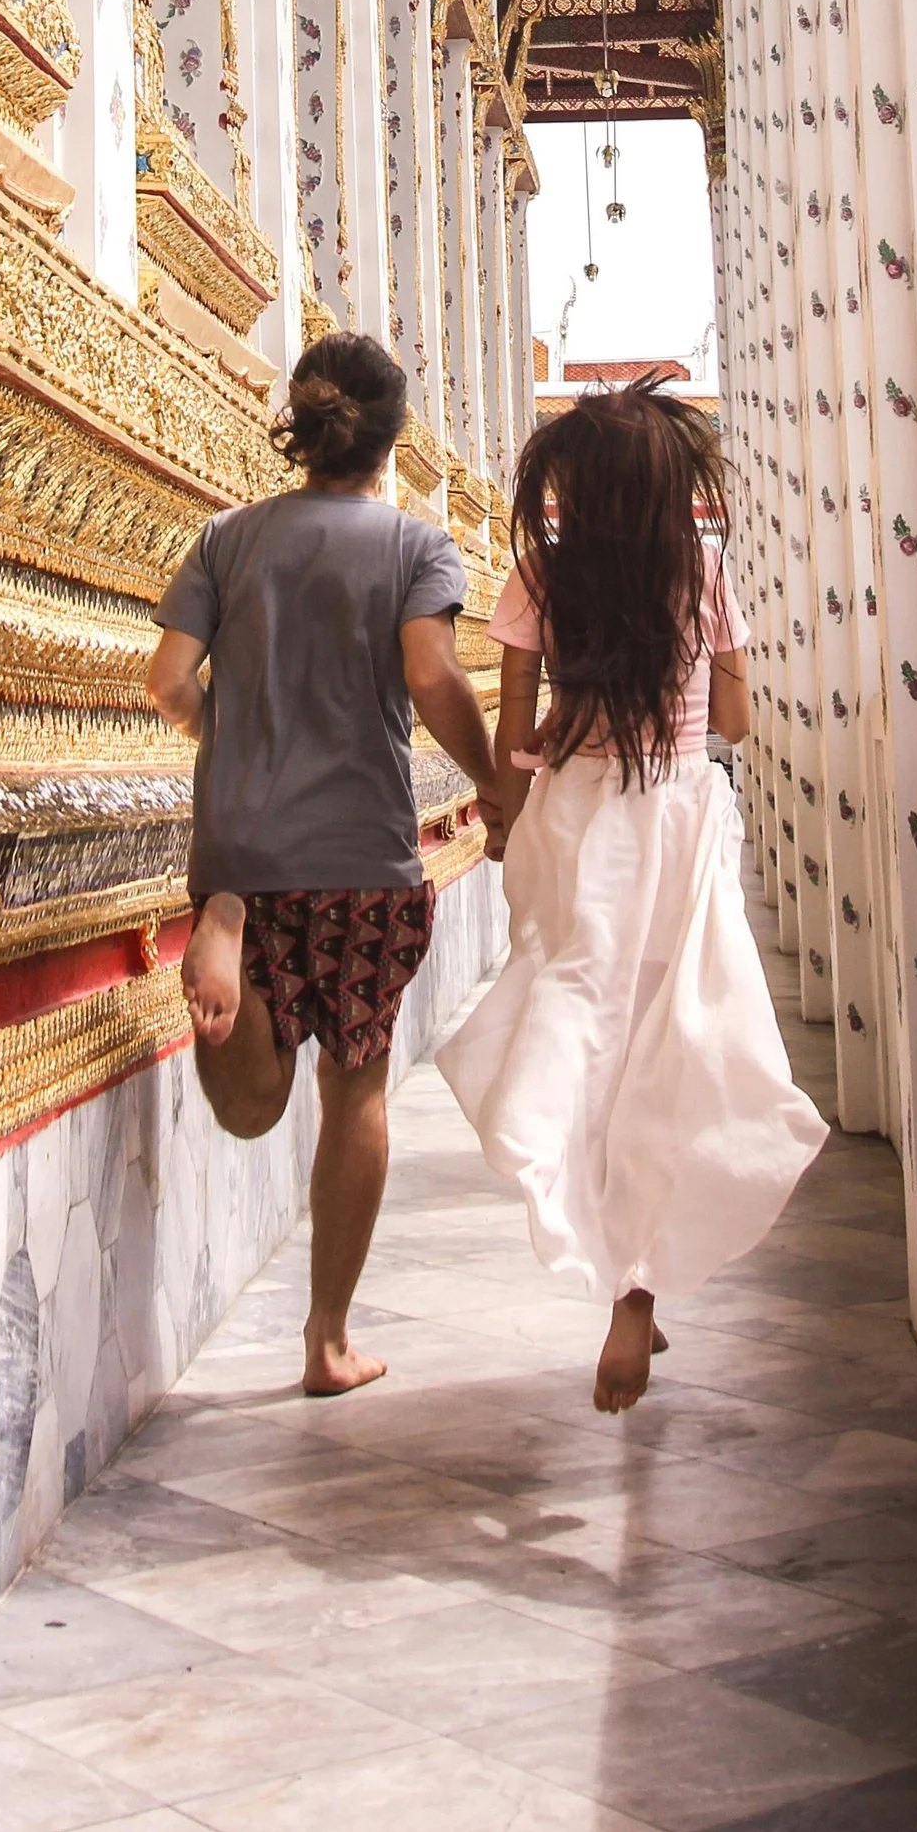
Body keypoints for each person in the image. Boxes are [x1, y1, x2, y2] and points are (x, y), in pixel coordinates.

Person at [438, 379, 826, 1413]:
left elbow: (516, 727)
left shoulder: (538, 575)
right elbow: (734, 722)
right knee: (682, 1039)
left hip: (575, 818)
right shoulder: (701, 568)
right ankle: (638, 1287)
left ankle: (615, 1270)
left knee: (585, 1028)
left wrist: (507, 818)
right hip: (681, 815)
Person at [145, 332, 500, 1397]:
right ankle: (328, 1339)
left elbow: (165, 680)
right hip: (360, 856)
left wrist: (232, 736)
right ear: (393, 441)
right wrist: (493, 780)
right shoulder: (416, 548)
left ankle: (226, 933)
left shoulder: (224, 539)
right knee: (357, 1092)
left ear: (298, 435)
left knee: (251, 1106)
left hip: (240, 846)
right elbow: (433, 678)